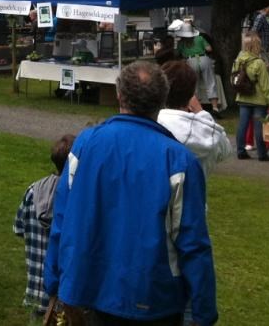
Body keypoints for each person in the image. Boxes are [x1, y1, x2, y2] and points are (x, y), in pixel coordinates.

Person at [45, 61, 217, 326]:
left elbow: (62, 219)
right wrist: (204, 312)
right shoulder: (177, 160)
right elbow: (193, 243)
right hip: (141, 296)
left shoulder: (88, 145)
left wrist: (54, 280)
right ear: (162, 101)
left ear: (119, 96)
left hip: (108, 291)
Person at [13, 134, 75, 324]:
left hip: (35, 288)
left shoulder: (33, 190)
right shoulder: (75, 198)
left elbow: (18, 228)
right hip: (64, 295)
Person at [157, 61, 232, 177]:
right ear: (193, 92)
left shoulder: (153, 124)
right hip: (195, 192)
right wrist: (201, 111)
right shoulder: (204, 131)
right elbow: (225, 148)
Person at [233, 32, 269, 161]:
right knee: (259, 127)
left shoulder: (238, 60)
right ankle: (262, 154)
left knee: (242, 125)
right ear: (257, 46)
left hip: (243, 97)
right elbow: (266, 85)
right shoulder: (259, 63)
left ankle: (241, 151)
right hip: (258, 99)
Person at [174, 21, 220, 113]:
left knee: (194, 85)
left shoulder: (181, 43)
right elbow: (209, 49)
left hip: (190, 61)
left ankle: (197, 109)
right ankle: (215, 107)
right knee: (211, 83)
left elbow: (176, 54)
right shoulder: (200, 38)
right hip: (204, 59)